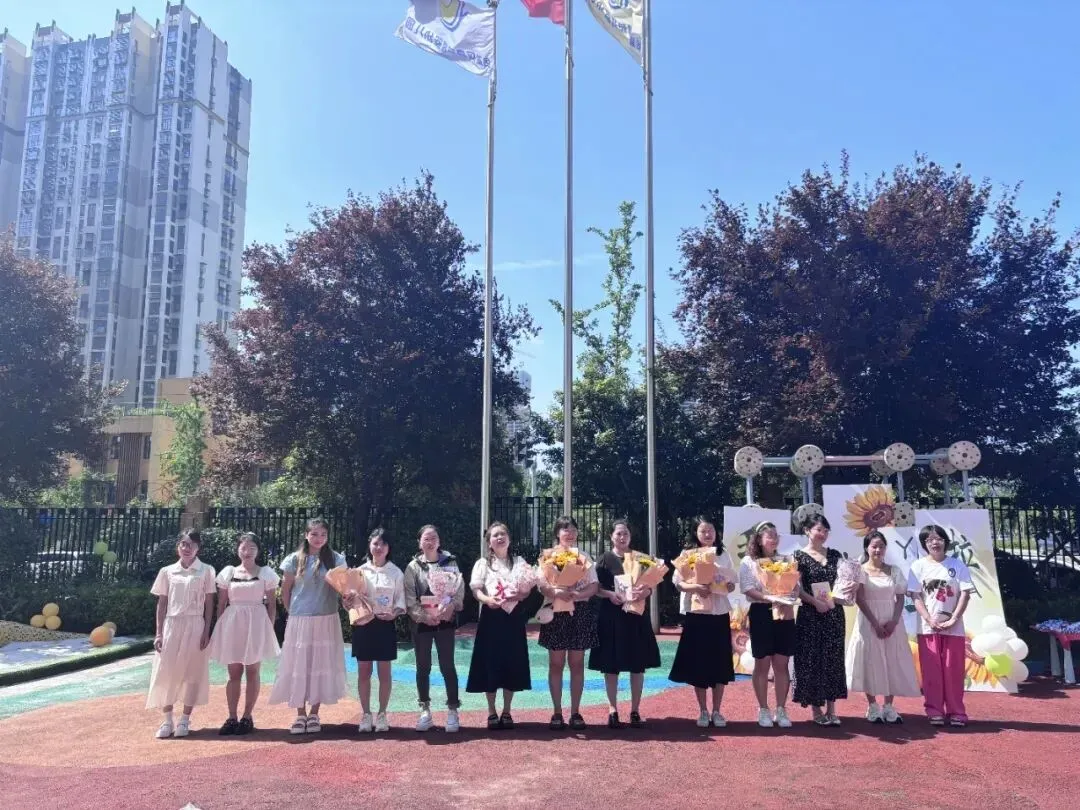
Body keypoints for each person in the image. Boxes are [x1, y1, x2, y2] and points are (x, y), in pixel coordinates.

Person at [269, 517, 348, 735]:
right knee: (299, 666)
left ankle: (314, 713)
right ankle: (300, 714)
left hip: (326, 618)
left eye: (323, 534)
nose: (318, 538)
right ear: (306, 535)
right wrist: (292, 611)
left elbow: (344, 587)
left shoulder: (336, 559)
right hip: (300, 619)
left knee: (319, 665)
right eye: (314, 534)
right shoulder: (294, 559)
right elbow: (286, 589)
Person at [589, 520, 661, 728]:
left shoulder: (641, 559)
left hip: (636, 617)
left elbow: (650, 586)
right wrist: (610, 594)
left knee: (637, 665)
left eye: (625, 533)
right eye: (618, 533)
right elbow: (596, 588)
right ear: (611, 536)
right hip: (611, 617)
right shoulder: (604, 559)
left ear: (630, 536)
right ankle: (612, 709)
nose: (622, 537)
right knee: (610, 665)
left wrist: (645, 592)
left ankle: (635, 710)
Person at [147, 528, 217, 739]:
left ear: (198, 548)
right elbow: (162, 603)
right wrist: (159, 633)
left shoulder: (206, 571)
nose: (187, 548)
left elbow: (210, 603)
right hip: (172, 625)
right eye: (183, 544)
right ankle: (167, 720)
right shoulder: (167, 571)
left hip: (195, 624)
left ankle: (185, 719)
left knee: (192, 672)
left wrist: (206, 630)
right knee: (166, 671)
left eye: (192, 545)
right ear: (178, 546)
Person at [208, 532, 281, 735]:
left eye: (252, 548)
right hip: (232, 625)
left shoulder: (266, 573)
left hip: (256, 624)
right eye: (243, 547)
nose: (247, 551)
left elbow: (272, 604)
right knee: (233, 673)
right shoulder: (228, 573)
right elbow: (221, 603)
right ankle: (232, 717)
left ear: (258, 551)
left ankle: (247, 717)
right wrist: (220, 628)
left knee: (252, 671)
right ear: (237, 550)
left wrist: (268, 628)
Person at [845, 530, 920, 723]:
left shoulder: (894, 570)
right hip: (868, 621)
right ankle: (872, 706)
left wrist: (893, 622)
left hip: (891, 622)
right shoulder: (860, 570)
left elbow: (900, 597)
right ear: (867, 548)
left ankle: (888, 706)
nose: (878, 550)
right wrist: (875, 624)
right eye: (874, 546)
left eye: (881, 546)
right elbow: (860, 599)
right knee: (870, 660)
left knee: (891, 660)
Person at [466, 522, 535, 729]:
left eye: (503, 534)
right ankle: (491, 711)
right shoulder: (482, 564)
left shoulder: (520, 563)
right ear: (489, 542)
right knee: (491, 662)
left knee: (511, 662)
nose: (499, 538)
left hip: (513, 618)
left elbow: (527, 589)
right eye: (495, 535)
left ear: (509, 539)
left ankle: (507, 711)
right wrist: (487, 600)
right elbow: (476, 590)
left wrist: (521, 594)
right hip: (492, 617)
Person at [668, 518, 736, 728]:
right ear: (695, 533)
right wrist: (696, 587)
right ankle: (703, 711)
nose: (707, 534)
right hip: (696, 614)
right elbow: (678, 583)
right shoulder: (687, 554)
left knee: (719, 663)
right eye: (703, 531)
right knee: (699, 662)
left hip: (719, 613)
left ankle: (717, 711)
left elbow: (731, 582)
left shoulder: (723, 554)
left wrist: (729, 586)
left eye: (711, 530)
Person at [907, 524, 975, 727]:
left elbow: (965, 594)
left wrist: (953, 619)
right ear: (924, 544)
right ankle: (934, 710)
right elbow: (916, 596)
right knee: (932, 672)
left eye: (938, 538)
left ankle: (956, 712)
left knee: (953, 670)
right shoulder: (918, 566)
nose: (934, 543)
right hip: (928, 628)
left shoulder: (957, 565)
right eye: (929, 540)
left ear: (945, 541)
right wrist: (929, 619)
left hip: (953, 629)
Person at [537, 515, 599, 731]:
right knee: (555, 664)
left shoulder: (584, 556)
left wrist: (577, 594)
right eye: (565, 529)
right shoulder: (547, 557)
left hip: (578, 612)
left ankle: (575, 712)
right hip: (555, 612)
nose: (570, 533)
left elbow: (594, 585)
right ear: (557, 533)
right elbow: (541, 584)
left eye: (573, 529)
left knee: (577, 663)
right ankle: (556, 712)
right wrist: (556, 591)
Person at [404, 524, 465, 733]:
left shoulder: (450, 562)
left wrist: (450, 607)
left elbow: (458, 590)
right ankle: (425, 709)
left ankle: (453, 710)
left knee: (448, 665)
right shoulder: (413, 567)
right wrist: (424, 617)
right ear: (419, 543)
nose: (430, 542)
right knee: (423, 666)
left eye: (434, 538)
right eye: (426, 538)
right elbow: (410, 599)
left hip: (445, 622)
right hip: (422, 624)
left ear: (439, 541)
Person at [738, 521, 795, 728]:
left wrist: (789, 595)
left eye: (776, 535)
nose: (774, 539)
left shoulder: (786, 560)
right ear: (759, 539)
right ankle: (763, 709)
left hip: (784, 613)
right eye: (769, 535)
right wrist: (769, 598)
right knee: (762, 663)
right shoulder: (749, 561)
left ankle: (781, 709)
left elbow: (796, 586)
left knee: (781, 663)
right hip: (762, 612)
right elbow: (747, 588)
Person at [794, 514, 849, 726]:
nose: (823, 534)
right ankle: (816, 709)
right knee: (812, 659)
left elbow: (843, 582)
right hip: (810, 615)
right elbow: (796, 588)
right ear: (807, 531)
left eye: (826, 531)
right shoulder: (798, 557)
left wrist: (844, 592)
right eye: (819, 530)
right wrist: (813, 601)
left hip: (833, 614)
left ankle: (832, 709)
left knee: (833, 659)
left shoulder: (835, 555)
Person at [349, 529, 406, 734]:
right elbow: (350, 602)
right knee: (364, 671)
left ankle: (382, 714)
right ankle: (366, 714)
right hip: (363, 624)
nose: (379, 547)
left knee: (384, 672)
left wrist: (394, 614)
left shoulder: (396, 572)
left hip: (385, 625)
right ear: (369, 545)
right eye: (375, 543)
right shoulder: (359, 572)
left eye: (383, 544)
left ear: (389, 548)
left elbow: (400, 601)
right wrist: (347, 601)